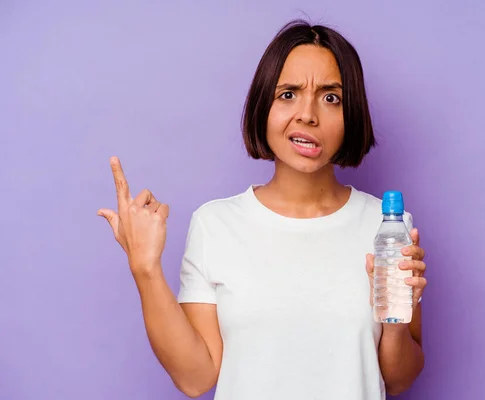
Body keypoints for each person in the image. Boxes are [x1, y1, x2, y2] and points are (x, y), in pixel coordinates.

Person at [98, 19, 427, 400]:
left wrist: (395, 317)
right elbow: (196, 378)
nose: (308, 114)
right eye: (288, 94)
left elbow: (400, 379)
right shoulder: (215, 224)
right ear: (263, 106)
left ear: (351, 115)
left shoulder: (387, 226)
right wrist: (145, 268)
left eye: (330, 97)